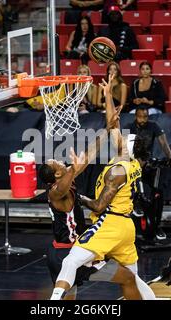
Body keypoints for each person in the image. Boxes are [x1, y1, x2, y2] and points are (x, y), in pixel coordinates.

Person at [50, 74, 156, 300]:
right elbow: (113, 124)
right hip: (127, 227)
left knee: (71, 261)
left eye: (126, 140)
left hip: (110, 221)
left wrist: (80, 198)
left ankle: (53, 302)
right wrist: (108, 96)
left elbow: (98, 204)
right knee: (132, 278)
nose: (121, 138)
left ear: (129, 148)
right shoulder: (131, 161)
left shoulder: (119, 169)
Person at [40, 146, 148, 300]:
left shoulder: (66, 179)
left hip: (58, 251)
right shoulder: (56, 191)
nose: (61, 161)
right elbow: (63, 188)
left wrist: (105, 131)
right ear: (57, 173)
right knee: (128, 277)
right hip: (69, 250)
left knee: (69, 296)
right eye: (57, 162)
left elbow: (86, 158)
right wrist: (72, 171)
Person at [126, 106, 171, 240]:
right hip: (131, 163)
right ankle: (136, 205)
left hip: (147, 163)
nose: (143, 120)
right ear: (135, 116)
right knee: (136, 189)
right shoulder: (129, 127)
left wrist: (170, 159)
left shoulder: (153, 126)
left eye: (145, 117)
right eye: (140, 117)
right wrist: (137, 161)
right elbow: (125, 148)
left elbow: (163, 143)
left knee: (157, 194)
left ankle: (156, 225)